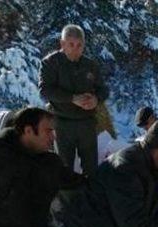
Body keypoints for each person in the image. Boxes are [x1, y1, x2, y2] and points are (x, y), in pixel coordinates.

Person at [39, 24, 109, 177]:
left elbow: (103, 90)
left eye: (79, 45)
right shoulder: (50, 63)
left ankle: (90, 198)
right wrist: (72, 98)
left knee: (91, 169)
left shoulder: (90, 65)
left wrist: (96, 99)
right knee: (64, 169)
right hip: (62, 123)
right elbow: (45, 90)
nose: (75, 49)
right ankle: (67, 200)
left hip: (87, 122)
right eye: (71, 44)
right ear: (62, 44)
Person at [134, 106, 158, 227]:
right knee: (154, 216)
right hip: (155, 181)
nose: (145, 128)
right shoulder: (151, 134)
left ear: (152, 118)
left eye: (145, 124)